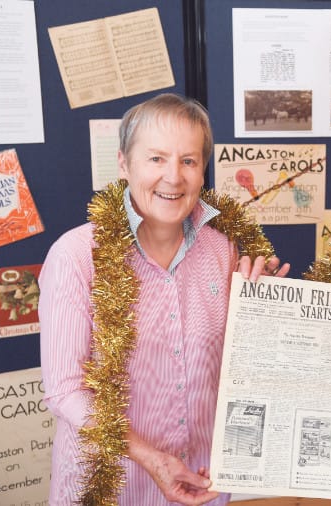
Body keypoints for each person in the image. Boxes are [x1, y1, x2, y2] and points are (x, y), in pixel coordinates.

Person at [39, 93, 289, 505]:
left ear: (203, 169)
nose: (173, 177)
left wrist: (262, 313)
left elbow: (237, 367)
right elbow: (65, 391)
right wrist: (152, 459)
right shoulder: (77, 256)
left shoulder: (222, 250)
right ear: (123, 163)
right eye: (156, 159)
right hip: (111, 485)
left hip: (200, 481)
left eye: (188, 161)